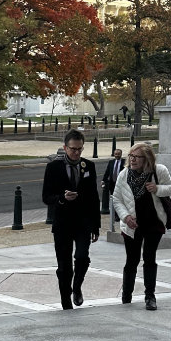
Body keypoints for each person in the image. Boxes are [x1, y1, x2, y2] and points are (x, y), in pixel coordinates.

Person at [112, 143, 171, 311]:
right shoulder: (124, 174)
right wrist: (126, 217)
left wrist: (158, 188)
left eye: (137, 157)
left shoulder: (159, 171)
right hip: (132, 224)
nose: (133, 159)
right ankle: (127, 295)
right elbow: (117, 199)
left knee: (149, 259)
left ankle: (150, 296)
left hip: (153, 223)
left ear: (147, 159)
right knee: (131, 260)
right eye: (131, 156)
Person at [42, 129, 101, 309]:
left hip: (83, 222)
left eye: (79, 149)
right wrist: (61, 197)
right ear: (65, 147)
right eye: (73, 149)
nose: (76, 153)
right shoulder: (53, 167)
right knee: (64, 266)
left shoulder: (88, 166)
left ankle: (77, 287)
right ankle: (65, 300)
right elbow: (46, 197)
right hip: (63, 223)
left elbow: (94, 197)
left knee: (82, 257)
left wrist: (96, 226)